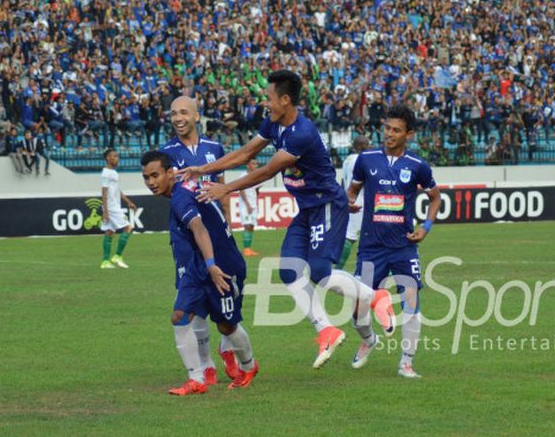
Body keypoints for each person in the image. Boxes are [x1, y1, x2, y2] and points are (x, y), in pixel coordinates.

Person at [177, 70, 395, 369]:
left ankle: (376, 296)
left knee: (319, 270)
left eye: (268, 98)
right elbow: (247, 152)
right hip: (307, 210)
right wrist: (203, 169)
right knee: (289, 271)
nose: (264, 102)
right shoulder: (275, 123)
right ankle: (326, 329)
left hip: (327, 205)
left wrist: (225, 188)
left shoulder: (302, 133)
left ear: (285, 99)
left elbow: (266, 171)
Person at [141, 151, 258, 394]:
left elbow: (199, 229)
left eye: (155, 175)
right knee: (179, 316)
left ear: (170, 173)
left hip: (222, 265)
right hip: (198, 266)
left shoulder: (179, 198)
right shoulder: (184, 188)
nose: (151, 182)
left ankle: (249, 365)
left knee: (227, 326)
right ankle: (197, 379)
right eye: (146, 178)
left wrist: (212, 265)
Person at [346, 105, 442, 378]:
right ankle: (367, 339)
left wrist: (426, 227)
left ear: (408, 134)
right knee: (358, 306)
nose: (389, 134)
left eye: (396, 130)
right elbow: (352, 191)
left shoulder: (417, 166)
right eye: (387, 128)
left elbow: (435, 197)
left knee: (411, 301)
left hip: (403, 247)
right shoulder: (366, 159)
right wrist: (350, 201)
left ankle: (406, 363)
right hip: (370, 247)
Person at [160, 95, 238, 377]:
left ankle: (227, 347)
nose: (177, 118)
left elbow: (222, 188)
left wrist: (229, 225)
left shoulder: (214, 148)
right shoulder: (166, 151)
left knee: (226, 294)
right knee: (195, 301)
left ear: (196, 116)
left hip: (217, 233)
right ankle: (206, 365)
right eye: (172, 114)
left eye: (183, 112)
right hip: (186, 236)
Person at [336, 135, 370, 270]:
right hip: (360, 203)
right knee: (352, 237)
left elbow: (343, 182)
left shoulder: (347, 160)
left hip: (348, 201)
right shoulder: (363, 160)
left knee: (349, 236)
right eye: (367, 145)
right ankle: (338, 268)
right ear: (364, 146)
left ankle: (337, 268)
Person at [100, 149, 136, 269]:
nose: (117, 158)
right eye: (114, 156)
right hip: (111, 207)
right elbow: (104, 191)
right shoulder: (106, 173)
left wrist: (128, 202)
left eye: (117, 156)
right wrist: (105, 211)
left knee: (110, 232)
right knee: (129, 228)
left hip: (113, 206)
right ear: (108, 158)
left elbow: (117, 190)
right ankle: (117, 256)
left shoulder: (114, 173)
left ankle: (105, 262)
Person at [238, 158, 261, 257]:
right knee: (247, 225)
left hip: (253, 205)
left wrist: (254, 202)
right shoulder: (243, 176)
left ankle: (249, 249)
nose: (256, 166)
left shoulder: (256, 177)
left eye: (256, 164)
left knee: (252, 226)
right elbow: (241, 190)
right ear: (248, 165)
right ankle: (246, 250)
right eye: (253, 164)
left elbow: (257, 190)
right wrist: (247, 204)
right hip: (245, 205)